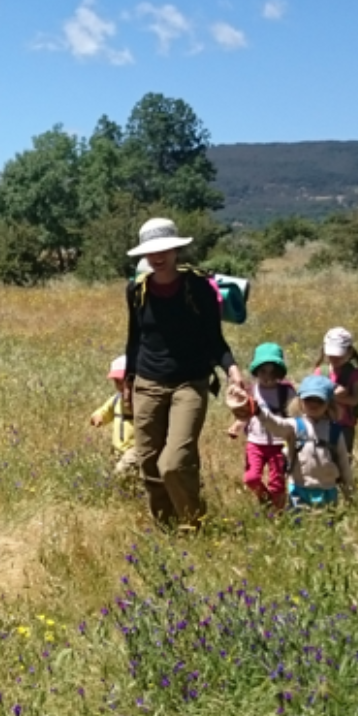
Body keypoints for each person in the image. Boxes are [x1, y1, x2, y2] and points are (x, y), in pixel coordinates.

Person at [121, 217, 244, 529]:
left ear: (176, 250)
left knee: (174, 463)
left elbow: (214, 339)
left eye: (164, 249)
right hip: (147, 384)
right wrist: (127, 383)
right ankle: (166, 528)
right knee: (149, 464)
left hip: (189, 384)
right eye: (151, 251)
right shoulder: (136, 290)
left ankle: (193, 524)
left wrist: (233, 371)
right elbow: (135, 340)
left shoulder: (199, 289)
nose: (158, 256)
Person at [242, 374, 354, 508]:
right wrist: (259, 412)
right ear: (300, 401)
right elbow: (275, 425)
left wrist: (350, 493)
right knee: (301, 524)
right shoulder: (294, 426)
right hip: (299, 489)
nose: (313, 404)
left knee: (328, 524)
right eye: (308, 399)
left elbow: (344, 464)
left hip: (327, 490)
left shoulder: (334, 431)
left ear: (329, 404)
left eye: (319, 400)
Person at [229, 342, 296, 512]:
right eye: (263, 371)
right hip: (255, 443)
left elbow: (296, 414)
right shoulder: (252, 391)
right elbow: (246, 413)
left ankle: (278, 513)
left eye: (272, 372)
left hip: (279, 444)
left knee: (277, 483)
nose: (267, 376)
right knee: (251, 478)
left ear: (279, 372)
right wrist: (236, 426)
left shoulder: (286, 392)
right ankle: (265, 500)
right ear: (256, 371)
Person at [312, 326, 358, 454]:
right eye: (331, 356)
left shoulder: (353, 374)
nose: (335, 360)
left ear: (349, 352)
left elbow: (355, 400)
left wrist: (335, 396)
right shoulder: (320, 372)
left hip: (345, 426)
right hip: (322, 423)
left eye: (339, 356)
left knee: (344, 457)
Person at [87, 354, 141, 475]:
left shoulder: (142, 400)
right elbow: (105, 411)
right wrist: (98, 416)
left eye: (124, 381)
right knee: (125, 478)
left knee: (120, 472)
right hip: (117, 449)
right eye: (117, 382)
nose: (121, 386)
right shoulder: (116, 400)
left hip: (135, 448)